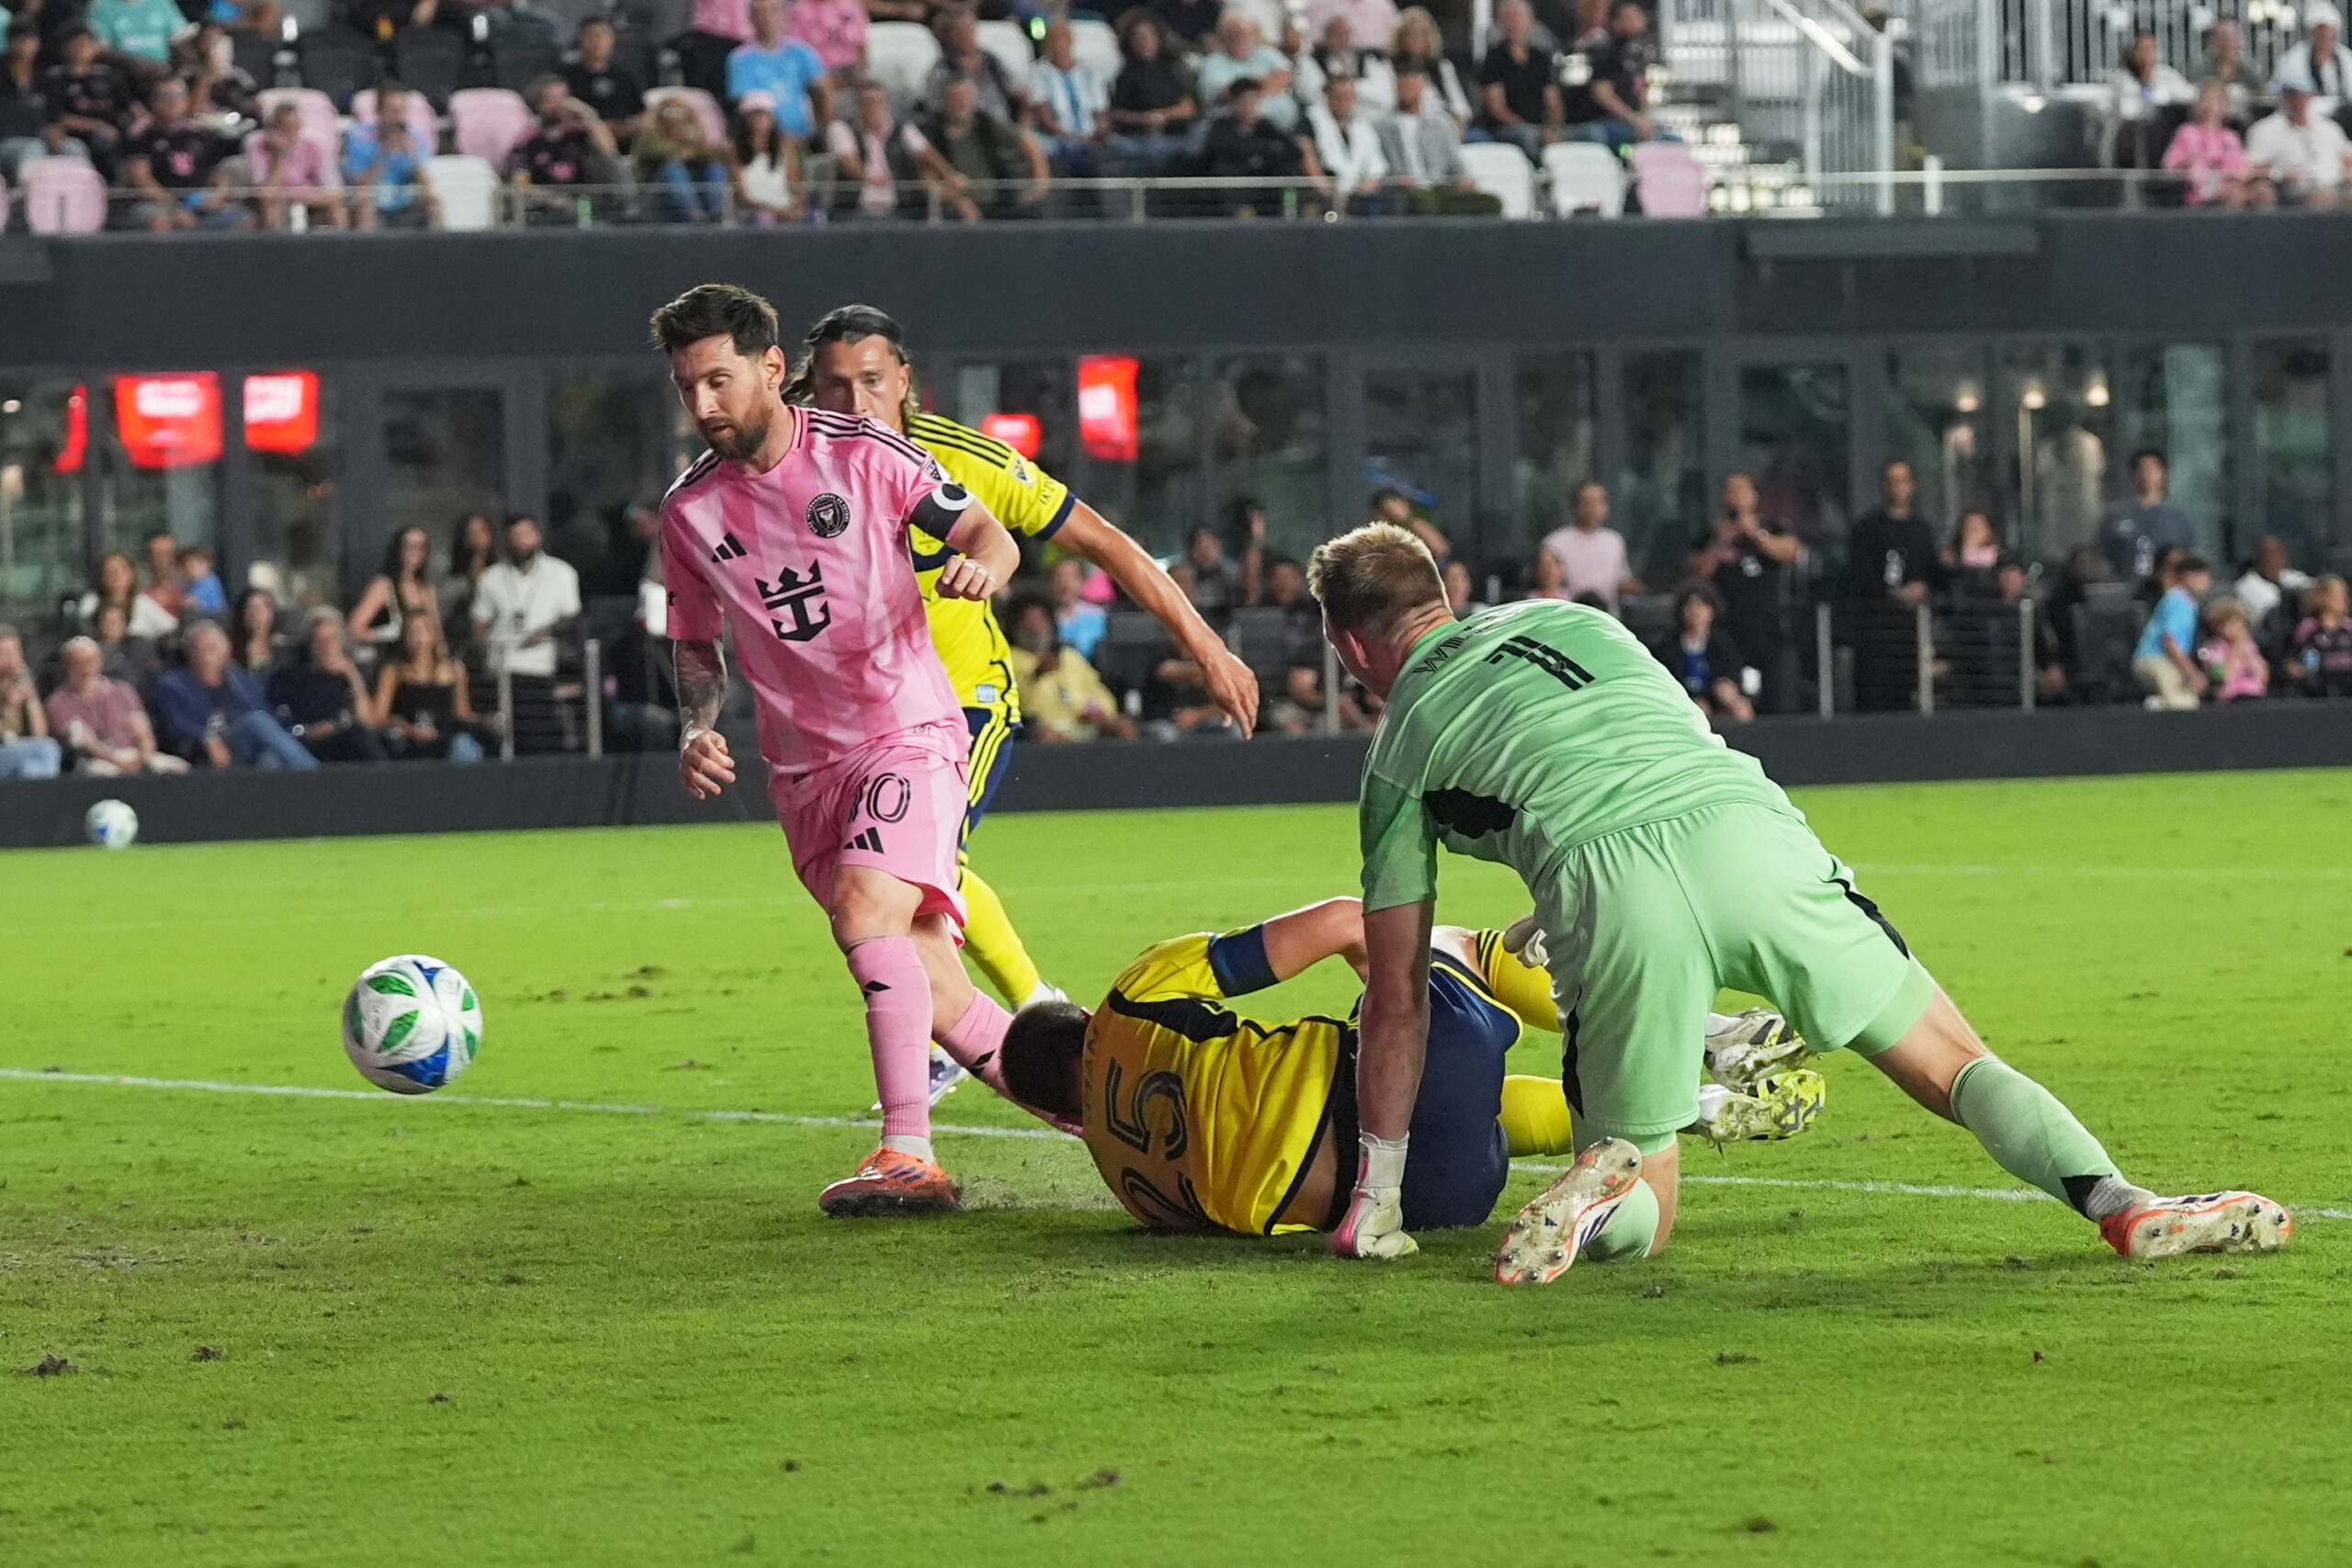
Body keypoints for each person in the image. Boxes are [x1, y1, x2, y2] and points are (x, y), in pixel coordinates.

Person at [1306, 522, 2290, 1275]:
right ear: (1441, 594)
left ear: (1351, 649)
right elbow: (1644, 744)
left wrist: (1377, 1197)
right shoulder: (1578, 619)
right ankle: (2119, 1201)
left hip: (1606, 887)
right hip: (1743, 827)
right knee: (1953, 1063)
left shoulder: (1394, 760)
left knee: (1648, 1189)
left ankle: (1605, 1187)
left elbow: (1397, 994)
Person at [652, 282, 1025, 1216]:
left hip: (906, 736)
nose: (702, 405)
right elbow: (694, 644)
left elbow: (978, 524)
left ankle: (908, 1153)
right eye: (688, 387)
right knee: (938, 990)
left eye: (719, 381)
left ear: (773, 370)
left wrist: (986, 561)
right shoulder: (688, 512)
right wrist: (698, 725)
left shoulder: (863, 455)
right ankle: (1106, 1115)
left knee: (867, 911)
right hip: (802, 773)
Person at [790, 303, 1257, 1022]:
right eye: (836, 385)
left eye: (873, 381)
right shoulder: (787, 469)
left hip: (959, 703)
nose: (856, 404)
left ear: (905, 380)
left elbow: (1106, 543)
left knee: (921, 867)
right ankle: (1031, 1016)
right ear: (810, 391)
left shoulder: (965, 460)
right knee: (874, 882)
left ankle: (1012, 1019)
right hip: (861, 718)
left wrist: (1207, 648)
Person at [996, 896, 1822, 1243]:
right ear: (1081, 1019)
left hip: (1443, 1199)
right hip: (1405, 1087)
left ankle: (1684, 1107)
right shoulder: (1133, 995)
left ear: (1063, 1115)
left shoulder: (1123, 1182)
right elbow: (1342, 921)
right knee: (1449, 944)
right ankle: (1701, 1038)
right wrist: (1390, 997)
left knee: (1479, 1108)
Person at [1690, 470, 1801, 714]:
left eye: (1742, 491)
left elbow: (1792, 552)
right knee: (1733, 699)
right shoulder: (1713, 535)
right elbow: (1696, 574)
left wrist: (1756, 535)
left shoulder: (1773, 527)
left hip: (1771, 628)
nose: (1737, 497)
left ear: (1753, 497)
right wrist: (1720, 544)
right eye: (1731, 491)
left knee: (1780, 699)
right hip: (1730, 631)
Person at [153, 620, 318, 770]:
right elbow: (174, 724)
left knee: (270, 759)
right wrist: (206, 737)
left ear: (226, 650)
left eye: (211, 648)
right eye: (198, 649)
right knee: (255, 721)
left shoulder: (244, 680)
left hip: (245, 747)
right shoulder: (173, 685)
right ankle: (317, 776)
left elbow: (267, 717)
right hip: (205, 751)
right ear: (190, 653)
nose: (205, 656)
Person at [470, 514, 582, 736]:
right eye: (515, 536)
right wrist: (485, 649)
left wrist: (543, 633)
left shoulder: (562, 573)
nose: (522, 541)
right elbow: (479, 622)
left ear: (538, 537)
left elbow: (570, 619)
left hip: (542, 668)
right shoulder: (490, 578)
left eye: (527, 534)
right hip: (501, 670)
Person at [910, 73, 1047, 221]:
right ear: (945, 101)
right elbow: (927, 178)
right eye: (955, 98)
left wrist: (1040, 183)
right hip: (955, 209)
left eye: (965, 97)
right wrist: (958, 201)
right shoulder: (932, 133)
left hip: (999, 203)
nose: (961, 103)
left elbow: (1028, 143)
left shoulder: (988, 125)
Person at [45, 635, 186, 775]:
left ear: (100, 662)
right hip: (96, 760)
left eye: (90, 661)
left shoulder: (123, 690)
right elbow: (86, 744)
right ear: (66, 666)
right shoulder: (57, 701)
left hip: (132, 753)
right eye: (78, 663)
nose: (85, 669)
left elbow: (142, 731)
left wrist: (144, 757)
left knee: (179, 768)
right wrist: (120, 763)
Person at [124, 77, 249, 232]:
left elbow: (218, 176)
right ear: (153, 102)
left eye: (178, 95)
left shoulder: (200, 134)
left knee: (244, 219)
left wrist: (217, 196)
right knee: (161, 222)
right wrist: (175, 205)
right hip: (159, 203)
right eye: (166, 96)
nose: (173, 101)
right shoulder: (143, 134)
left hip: (200, 201)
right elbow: (140, 179)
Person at [268, 607, 390, 763]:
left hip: (346, 741)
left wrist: (352, 675)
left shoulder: (350, 676)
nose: (327, 647)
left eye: (332, 639)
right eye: (320, 640)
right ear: (310, 644)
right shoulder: (292, 678)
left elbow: (368, 722)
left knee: (360, 736)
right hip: (309, 744)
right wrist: (309, 731)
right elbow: (282, 722)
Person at [1006, 597, 1134, 742]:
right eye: (1029, 621)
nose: (1036, 627)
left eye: (1040, 619)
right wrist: (1037, 675)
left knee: (1124, 727)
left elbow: (1098, 690)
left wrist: (1101, 712)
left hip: (1083, 724)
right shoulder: (1010, 658)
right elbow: (1021, 706)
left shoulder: (1069, 656)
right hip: (1044, 729)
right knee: (1046, 736)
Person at [1378, 63, 1501, 214]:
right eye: (1404, 86)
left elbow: (1456, 162)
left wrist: (1464, 178)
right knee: (1424, 202)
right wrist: (1397, 181)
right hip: (1402, 189)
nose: (1408, 91)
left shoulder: (1441, 125)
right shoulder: (1382, 127)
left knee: (1490, 203)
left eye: (1412, 85)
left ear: (1423, 88)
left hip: (1440, 186)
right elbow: (1378, 168)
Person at [370, 607, 484, 761]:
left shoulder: (454, 670)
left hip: (444, 737)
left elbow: (462, 712)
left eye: (423, 630)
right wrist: (407, 728)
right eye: (412, 631)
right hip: (407, 738)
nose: (417, 637)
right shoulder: (394, 671)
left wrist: (485, 721)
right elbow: (379, 717)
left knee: (465, 746)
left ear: (433, 635)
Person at [1203, 77, 1316, 217]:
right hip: (1233, 189)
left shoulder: (1265, 127)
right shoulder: (1220, 127)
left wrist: (1265, 154)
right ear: (1233, 103)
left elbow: (1293, 150)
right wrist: (1265, 151)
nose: (1249, 107)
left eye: (1254, 101)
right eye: (1244, 102)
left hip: (1265, 187)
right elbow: (1220, 153)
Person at [1564, 0, 1668, 151]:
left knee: (1671, 140)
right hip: (1602, 120)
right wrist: (1633, 119)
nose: (1638, 21)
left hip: (1632, 121)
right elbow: (1602, 93)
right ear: (1616, 22)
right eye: (1630, 17)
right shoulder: (1604, 50)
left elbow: (1641, 89)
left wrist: (1643, 118)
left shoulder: (1639, 54)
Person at [1102, 9, 1195, 176]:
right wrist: (1144, 119)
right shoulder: (1125, 74)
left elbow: (1189, 107)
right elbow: (1115, 113)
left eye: (1149, 36)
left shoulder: (1172, 69)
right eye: (1138, 38)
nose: (1144, 42)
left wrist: (1164, 116)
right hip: (1139, 138)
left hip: (1175, 134)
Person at [342, 81, 438, 231]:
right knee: (365, 205)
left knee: (434, 204)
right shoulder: (360, 137)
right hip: (374, 201)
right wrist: (384, 154)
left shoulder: (416, 137)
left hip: (404, 201)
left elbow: (427, 185)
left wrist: (414, 156)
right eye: (392, 111)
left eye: (401, 111)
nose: (397, 117)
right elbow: (361, 184)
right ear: (379, 111)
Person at [1650, 583, 1751, 723]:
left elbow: (1732, 672)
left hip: (1715, 696)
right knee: (1699, 710)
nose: (1696, 612)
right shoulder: (1669, 645)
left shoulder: (1722, 643)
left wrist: (1726, 688)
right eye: (1690, 606)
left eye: (1702, 606)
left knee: (1741, 708)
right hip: (1685, 697)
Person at [2245, 74, 2351, 208]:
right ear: (2284, 99)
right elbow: (2254, 168)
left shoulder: (2329, 128)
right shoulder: (2265, 130)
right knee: (2322, 197)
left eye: (2302, 96)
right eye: (2292, 96)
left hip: (2334, 185)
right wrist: (2281, 174)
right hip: (2289, 190)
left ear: (2310, 97)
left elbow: (2347, 159)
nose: (2298, 102)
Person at [2097, 448, 2196, 587]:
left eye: (2153, 469)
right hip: (2124, 591)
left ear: (2164, 474)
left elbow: (2187, 559)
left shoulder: (2178, 518)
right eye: (2142, 469)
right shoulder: (2115, 516)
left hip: (2164, 592)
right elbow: (2102, 556)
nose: (2147, 475)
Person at [1476, 0, 1561, 160]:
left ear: (1531, 21)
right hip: (1507, 128)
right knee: (1528, 137)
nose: (1513, 22)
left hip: (1541, 127)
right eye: (1508, 17)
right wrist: (1535, 130)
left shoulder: (1541, 58)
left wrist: (1554, 128)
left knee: (1589, 133)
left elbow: (1553, 101)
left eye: (1518, 17)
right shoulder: (1494, 59)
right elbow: (1497, 108)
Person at [1538, 480, 1640, 613]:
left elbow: (1621, 581)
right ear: (1576, 506)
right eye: (1587, 501)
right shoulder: (1555, 543)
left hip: (1607, 619)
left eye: (1598, 502)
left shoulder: (1614, 541)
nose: (1593, 507)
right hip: (1569, 618)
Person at [2163, 81, 2267, 208]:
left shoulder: (2231, 137)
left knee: (2263, 192)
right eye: (2206, 101)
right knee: (2233, 195)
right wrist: (2189, 161)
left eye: (2217, 101)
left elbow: (2243, 167)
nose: (2210, 106)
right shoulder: (2187, 132)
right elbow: (2169, 166)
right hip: (2201, 192)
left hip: (2233, 184)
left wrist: (2239, 175)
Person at [825, 79, 918, 220]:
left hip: (898, 208)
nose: (873, 108)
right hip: (854, 209)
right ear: (858, 106)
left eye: (877, 102)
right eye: (868, 102)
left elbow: (926, 153)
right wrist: (870, 179)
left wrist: (950, 175)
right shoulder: (842, 129)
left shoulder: (901, 129)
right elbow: (849, 161)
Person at [635, 94, 736, 222]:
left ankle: (716, 213)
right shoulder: (650, 137)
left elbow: (713, 154)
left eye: (679, 112)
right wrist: (688, 148)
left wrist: (692, 145)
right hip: (657, 196)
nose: (674, 117)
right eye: (669, 112)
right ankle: (694, 214)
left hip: (697, 191)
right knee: (671, 168)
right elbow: (664, 154)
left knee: (715, 167)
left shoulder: (696, 137)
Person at [728, 0, 826, 133]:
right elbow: (748, 105)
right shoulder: (741, 59)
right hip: (768, 134)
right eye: (760, 13)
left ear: (783, 14)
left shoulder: (801, 51)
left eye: (773, 11)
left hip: (806, 129)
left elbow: (821, 86)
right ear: (751, 18)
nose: (767, 18)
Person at [246, 101, 345, 231]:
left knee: (336, 206)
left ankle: (342, 247)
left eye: (293, 126)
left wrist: (302, 196)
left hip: (308, 195)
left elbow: (335, 189)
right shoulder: (256, 143)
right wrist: (281, 155)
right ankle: (274, 246)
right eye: (283, 127)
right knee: (271, 205)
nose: (289, 132)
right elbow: (265, 191)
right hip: (277, 196)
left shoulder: (315, 144)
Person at [1028, 19, 1108, 177]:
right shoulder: (1039, 73)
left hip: (1090, 136)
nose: (1059, 45)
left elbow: (1101, 113)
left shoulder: (1090, 72)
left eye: (1063, 40)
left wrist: (1098, 133)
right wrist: (1072, 137)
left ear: (1071, 42)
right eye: (1053, 41)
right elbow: (1046, 120)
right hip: (1059, 137)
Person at [920, 6, 1026, 124]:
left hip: (1002, 127)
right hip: (967, 131)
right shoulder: (941, 70)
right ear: (947, 35)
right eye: (960, 32)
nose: (968, 35)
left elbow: (1011, 89)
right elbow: (933, 108)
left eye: (970, 29)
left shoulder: (991, 61)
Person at [2132, 551, 2211, 710]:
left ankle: (2155, 704)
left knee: (2190, 702)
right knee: (2181, 705)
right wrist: (2192, 672)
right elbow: (2169, 641)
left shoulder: (2190, 605)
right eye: (2202, 577)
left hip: (2167, 660)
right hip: (2155, 659)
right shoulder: (2177, 600)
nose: (2207, 582)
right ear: (2188, 577)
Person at [1196, 12, 1298, 133]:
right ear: (1223, 37)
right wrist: (1268, 84)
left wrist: (1250, 87)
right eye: (1235, 35)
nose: (1240, 39)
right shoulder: (1213, 62)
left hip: (1285, 125)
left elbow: (1286, 77)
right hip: (1237, 128)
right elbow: (1228, 92)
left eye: (1245, 34)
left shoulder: (1266, 53)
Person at [2106, 28, 2193, 167]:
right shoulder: (2122, 81)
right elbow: (2128, 112)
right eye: (2142, 50)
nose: (2147, 55)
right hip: (2132, 141)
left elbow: (2189, 96)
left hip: (2163, 138)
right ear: (2132, 53)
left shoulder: (2166, 75)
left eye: (2151, 49)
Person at [1306, 73, 1389, 214]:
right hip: (1327, 197)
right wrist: (1328, 191)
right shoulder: (1312, 121)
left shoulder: (1362, 127)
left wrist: (1366, 186)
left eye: (1349, 96)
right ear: (1328, 96)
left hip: (1361, 196)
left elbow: (1377, 165)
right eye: (1339, 96)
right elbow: (1308, 156)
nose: (1344, 101)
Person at [348, 525, 440, 651]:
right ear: (399, 549)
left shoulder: (426, 588)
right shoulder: (383, 585)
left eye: (421, 547)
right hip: (391, 659)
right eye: (410, 546)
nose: (415, 552)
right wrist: (388, 636)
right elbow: (354, 629)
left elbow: (437, 632)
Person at [562, 16, 646, 143]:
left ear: (613, 39)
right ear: (581, 40)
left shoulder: (624, 77)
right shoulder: (567, 76)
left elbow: (641, 110)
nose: (597, 42)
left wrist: (630, 127)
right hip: (584, 141)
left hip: (627, 139)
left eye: (602, 36)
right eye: (591, 36)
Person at [1389, 6, 1475, 131]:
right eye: (1411, 33)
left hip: (1443, 127)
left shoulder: (1442, 67)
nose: (1416, 39)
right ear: (1400, 36)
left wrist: (1456, 129)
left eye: (1422, 34)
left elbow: (1460, 107)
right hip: (1405, 127)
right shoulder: (1387, 66)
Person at [0, 625, 61, 779]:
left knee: (31, 768)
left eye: (16, 651)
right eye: (6, 653)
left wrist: (31, 699)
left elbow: (39, 734)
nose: (12, 658)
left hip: (18, 752)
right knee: (48, 749)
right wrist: (10, 707)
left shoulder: (21, 683)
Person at [2271, 2, 2352, 111]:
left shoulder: (2346, 57)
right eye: (2320, 31)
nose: (2325, 35)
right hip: (2308, 115)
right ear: (2311, 32)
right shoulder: (2293, 60)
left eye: (2329, 30)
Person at [80, 549, 176, 639]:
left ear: (131, 574)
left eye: (121, 570)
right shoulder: (91, 602)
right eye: (110, 571)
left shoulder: (142, 603)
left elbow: (171, 628)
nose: (116, 576)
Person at [441, 512, 497, 662]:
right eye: (472, 533)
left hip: (495, 647)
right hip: (460, 648)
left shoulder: (502, 575)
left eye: (482, 531)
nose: (478, 537)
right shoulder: (453, 581)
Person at [2289, 574, 2352, 697]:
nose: (2343, 600)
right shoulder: (2308, 628)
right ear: (2321, 598)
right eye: (2336, 596)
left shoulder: (2349, 627)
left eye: (2344, 596)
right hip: (2319, 687)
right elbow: (2298, 657)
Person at [2199, 598, 2267, 703]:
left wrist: (2247, 653)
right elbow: (2223, 677)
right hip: (2230, 698)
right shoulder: (2213, 649)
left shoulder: (2250, 646)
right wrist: (2235, 651)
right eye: (2231, 624)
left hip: (2254, 695)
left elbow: (2262, 677)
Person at [85, 0, 184, 64]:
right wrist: (134, 63)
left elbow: (181, 37)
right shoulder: (101, 6)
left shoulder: (162, 2)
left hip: (163, 68)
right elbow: (99, 49)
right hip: (123, 72)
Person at [788, 0, 866, 78]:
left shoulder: (850, 6)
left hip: (850, 70)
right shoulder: (800, 10)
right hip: (818, 76)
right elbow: (797, 49)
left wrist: (859, 74)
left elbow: (861, 44)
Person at [1048, 555, 1105, 659]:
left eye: (1070, 577)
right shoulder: (1044, 616)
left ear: (1082, 582)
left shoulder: (1098, 615)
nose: (1064, 583)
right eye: (1058, 577)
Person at [227, 585, 281, 673]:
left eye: (265, 607)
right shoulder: (229, 648)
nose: (257, 614)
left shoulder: (283, 647)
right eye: (251, 607)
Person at [176, 546, 227, 616]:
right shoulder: (190, 584)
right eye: (189, 565)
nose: (193, 569)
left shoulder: (209, 582)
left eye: (198, 564)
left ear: (208, 565)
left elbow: (190, 601)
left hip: (213, 618)